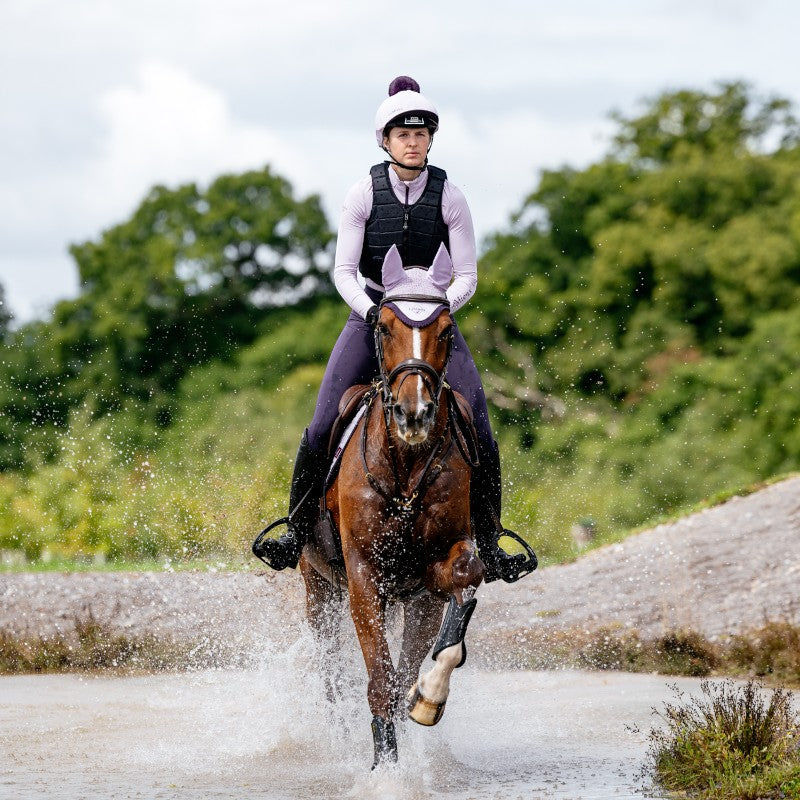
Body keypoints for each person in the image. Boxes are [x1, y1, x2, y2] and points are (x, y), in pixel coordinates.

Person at [256, 76, 533, 583]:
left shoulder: (451, 196)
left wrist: (434, 312)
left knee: (480, 425)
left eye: (421, 134)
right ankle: (294, 529)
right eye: (403, 134)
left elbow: (468, 275)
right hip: (372, 317)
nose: (413, 142)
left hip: (431, 321)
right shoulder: (363, 193)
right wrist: (372, 313)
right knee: (321, 423)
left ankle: (492, 541)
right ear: (385, 140)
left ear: (430, 140)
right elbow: (343, 271)